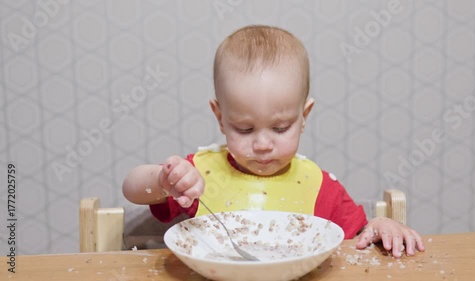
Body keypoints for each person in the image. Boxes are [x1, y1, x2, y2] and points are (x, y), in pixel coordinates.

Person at [122, 25, 425, 258]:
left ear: (304, 116)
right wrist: (163, 180)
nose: (263, 144)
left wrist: (381, 225)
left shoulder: (318, 186)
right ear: (220, 118)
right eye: (244, 129)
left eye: (280, 128)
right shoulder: (199, 174)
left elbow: (359, 232)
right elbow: (132, 189)